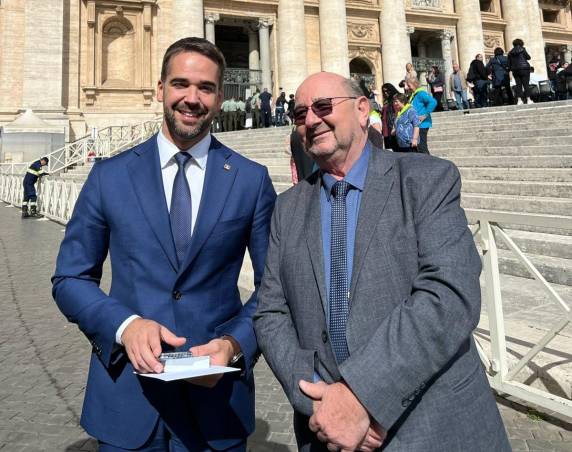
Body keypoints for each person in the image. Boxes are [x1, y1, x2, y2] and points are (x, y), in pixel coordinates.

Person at [253, 70, 511, 452]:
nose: (311, 119)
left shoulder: (427, 180)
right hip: (327, 430)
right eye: (300, 114)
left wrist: (361, 396)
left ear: (362, 110)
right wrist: (321, 401)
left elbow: (449, 295)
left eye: (323, 106)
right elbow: (270, 313)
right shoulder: (287, 208)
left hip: (434, 428)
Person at [51, 37, 276, 451]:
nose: (192, 98)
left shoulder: (251, 179)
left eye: (205, 88)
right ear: (159, 89)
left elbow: (273, 288)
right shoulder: (109, 176)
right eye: (180, 84)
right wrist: (125, 326)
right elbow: (70, 278)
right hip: (127, 397)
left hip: (216, 403)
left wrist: (234, 344)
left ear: (219, 97)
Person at [406, 77, 437, 154]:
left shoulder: (421, 93)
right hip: (416, 125)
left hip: (422, 125)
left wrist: (425, 115)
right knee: (417, 148)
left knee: (422, 148)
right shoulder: (413, 95)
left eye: (409, 85)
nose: (407, 87)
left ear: (414, 84)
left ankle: (429, 161)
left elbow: (433, 102)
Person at [508, 38, 534, 105]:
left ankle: (519, 100)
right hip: (524, 69)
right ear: (521, 43)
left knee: (518, 85)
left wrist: (510, 70)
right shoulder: (523, 49)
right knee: (526, 84)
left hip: (515, 70)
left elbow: (509, 63)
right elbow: (528, 57)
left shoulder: (510, 52)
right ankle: (528, 99)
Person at [380, 83, 400, 152]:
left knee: (396, 149)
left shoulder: (396, 99)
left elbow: (398, 113)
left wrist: (394, 126)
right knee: (389, 150)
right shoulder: (386, 101)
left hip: (393, 127)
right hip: (386, 128)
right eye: (383, 91)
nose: (385, 93)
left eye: (387, 91)